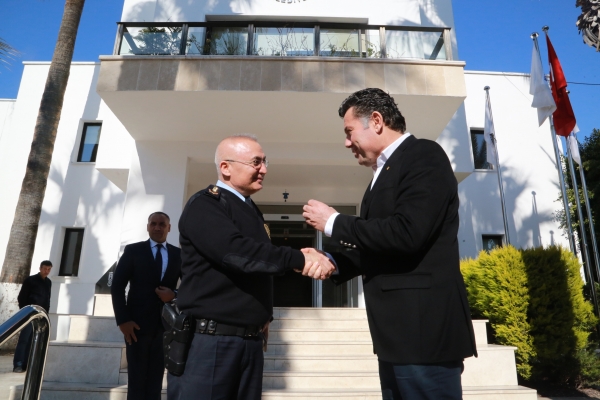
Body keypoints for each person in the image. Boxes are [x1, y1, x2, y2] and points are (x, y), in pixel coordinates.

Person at [302, 88, 477, 400]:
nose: (346, 143)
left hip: (424, 335)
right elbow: (381, 245)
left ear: (377, 121)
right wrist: (334, 261)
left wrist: (333, 222)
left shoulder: (424, 155)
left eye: (349, 132)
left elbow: (408, 233)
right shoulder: (382, 173)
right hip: (396, 337)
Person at [167, 134, 334, 400]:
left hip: (248, 342)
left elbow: (257, 267)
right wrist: (300, 259)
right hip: (211, 342)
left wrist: (263, 315)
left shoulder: (249, 209)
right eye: (256, 162)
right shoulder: (206, 204)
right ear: (225, 167)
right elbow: (236, 253)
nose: (264, 169)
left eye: (265, 162)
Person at [111, 212, 182, 400]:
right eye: (153, 224)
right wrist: (123, 320)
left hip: (165, 327)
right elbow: (117, 286)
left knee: (155, 381)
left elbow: (191, 286)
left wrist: (174, 294)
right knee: (136, 381)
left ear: (169, 228)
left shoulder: (178, 254)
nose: (157, 227)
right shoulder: (134, 251)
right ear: (148, 226)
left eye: (162, 224)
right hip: (136, 326)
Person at [13, 260, 53, 373]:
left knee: (33, 340)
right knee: (24, 339)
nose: (46, 271)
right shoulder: (30, 280)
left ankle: (26, 364)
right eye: (45, 269)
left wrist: (45, 314)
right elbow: (22, 297)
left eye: (49, 269)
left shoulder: (48, 282)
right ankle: (18, 364)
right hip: (29, 314)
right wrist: (26, 312)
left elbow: (47, 298)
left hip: (40, 315)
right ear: (40, 268)